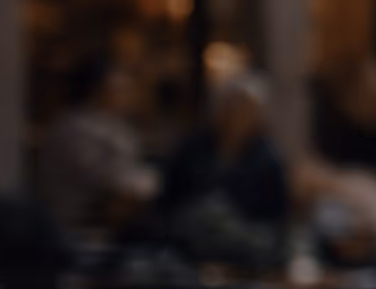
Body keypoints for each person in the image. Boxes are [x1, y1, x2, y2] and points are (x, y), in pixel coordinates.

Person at [159, 71, 292, 244]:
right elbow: (168, 199)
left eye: (245, 109)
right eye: (232, 106)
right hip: (189, 240)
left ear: (258, 117)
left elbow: (276, 221)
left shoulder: (269, 161)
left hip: (241, 245)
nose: (236, 115)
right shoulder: (192, 148)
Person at [34, 57, 160, 237]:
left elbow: (131, 175)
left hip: (101, 225)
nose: (127, 94)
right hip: (76, 230)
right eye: (120, 88)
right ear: (98, 90)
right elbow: (114, 182)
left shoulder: (112, 125)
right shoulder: (74, 128)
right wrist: (149, 186)